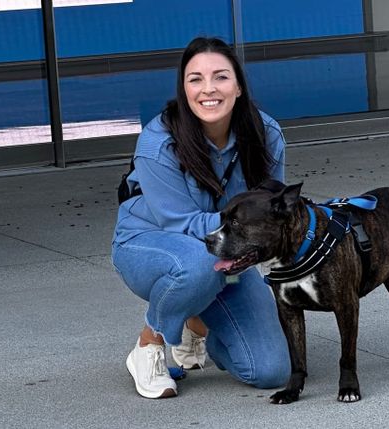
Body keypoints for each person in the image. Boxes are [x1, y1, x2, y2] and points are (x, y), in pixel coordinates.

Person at [111, 36, 290, 399]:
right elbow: (181, 225)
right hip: (150, 244)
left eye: (221, 77)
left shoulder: (266, 133)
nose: (209, 89)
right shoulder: (159, 141)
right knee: (196, 263)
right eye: (195, 79)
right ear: (183, 88)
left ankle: (196, 321)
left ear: (239, 86)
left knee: (271, 371)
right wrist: (247, 230)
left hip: (225, 250)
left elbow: (274, 211)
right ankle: (150, 344)